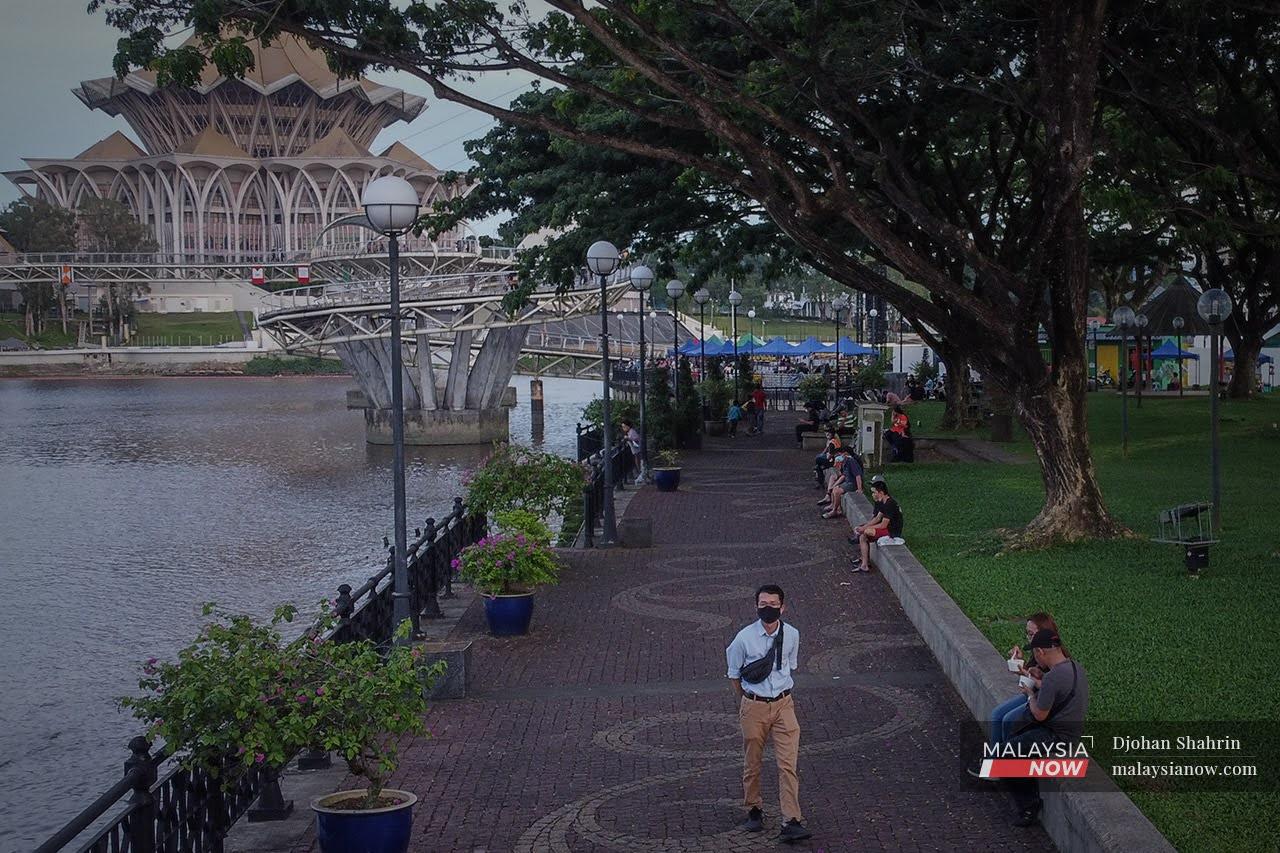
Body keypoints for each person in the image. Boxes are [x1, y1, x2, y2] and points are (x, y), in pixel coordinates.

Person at [726, 584, 812, 842]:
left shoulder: (792, 635)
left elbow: (789, 667)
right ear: (756, 606)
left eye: (773, 605)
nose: (768, 608)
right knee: (753, 761)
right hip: (754, 705)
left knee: (788, 765)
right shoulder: (743, 638)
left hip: (784, 704)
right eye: (763, 604)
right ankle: (753, 808)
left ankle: (791, 820)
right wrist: (748, 702)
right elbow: (733, 675)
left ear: (782, 607)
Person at [1004, 629, 1089, 827]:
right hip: (1071, 732)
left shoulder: (1053, 678)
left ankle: (1029, 806)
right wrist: (1039, 679)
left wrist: (1030, 693)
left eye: (1034, 653)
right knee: (1017, 734)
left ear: (1040, 652)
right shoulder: (1075, 667)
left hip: (1057, 737)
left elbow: (1039, 714)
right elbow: (1057, 691)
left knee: (1007, 753)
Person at [978, 613, 1063, 750]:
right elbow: (1033, 675)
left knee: (1009, 720)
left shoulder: (1052, 657)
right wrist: (1019, 665)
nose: (1029, 639)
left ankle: (1004, 760)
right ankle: (995, 758)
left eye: (1032, 634)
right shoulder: (1038, 650)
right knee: (996, 715)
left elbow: (1046, 689)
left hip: (1041, 701)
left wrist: (1031, 692)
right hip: (1033, 695)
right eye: (1027, 634)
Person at [850, 481, 903, 572]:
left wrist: (865, 529)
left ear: (881, 493)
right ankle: (865, 563)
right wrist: (864, 526)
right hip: (886, 528)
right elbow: (877, 518)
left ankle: (864, 562)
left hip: (892, 531)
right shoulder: (882, 502)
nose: (873, 495)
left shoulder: (889, 504)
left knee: (867, 532)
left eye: (874, 492)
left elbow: (883, 524)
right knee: (863, 535)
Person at [819, 449, 863, 520]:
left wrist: (859, 488)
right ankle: (834, 506)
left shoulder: (851, 461)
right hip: (847, 482)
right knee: (835, 489)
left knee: (837, 491)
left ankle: (835, 510)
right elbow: (843, 475)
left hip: (852, 483)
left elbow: (857, 475)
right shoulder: (844, 462)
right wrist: (834, 485)